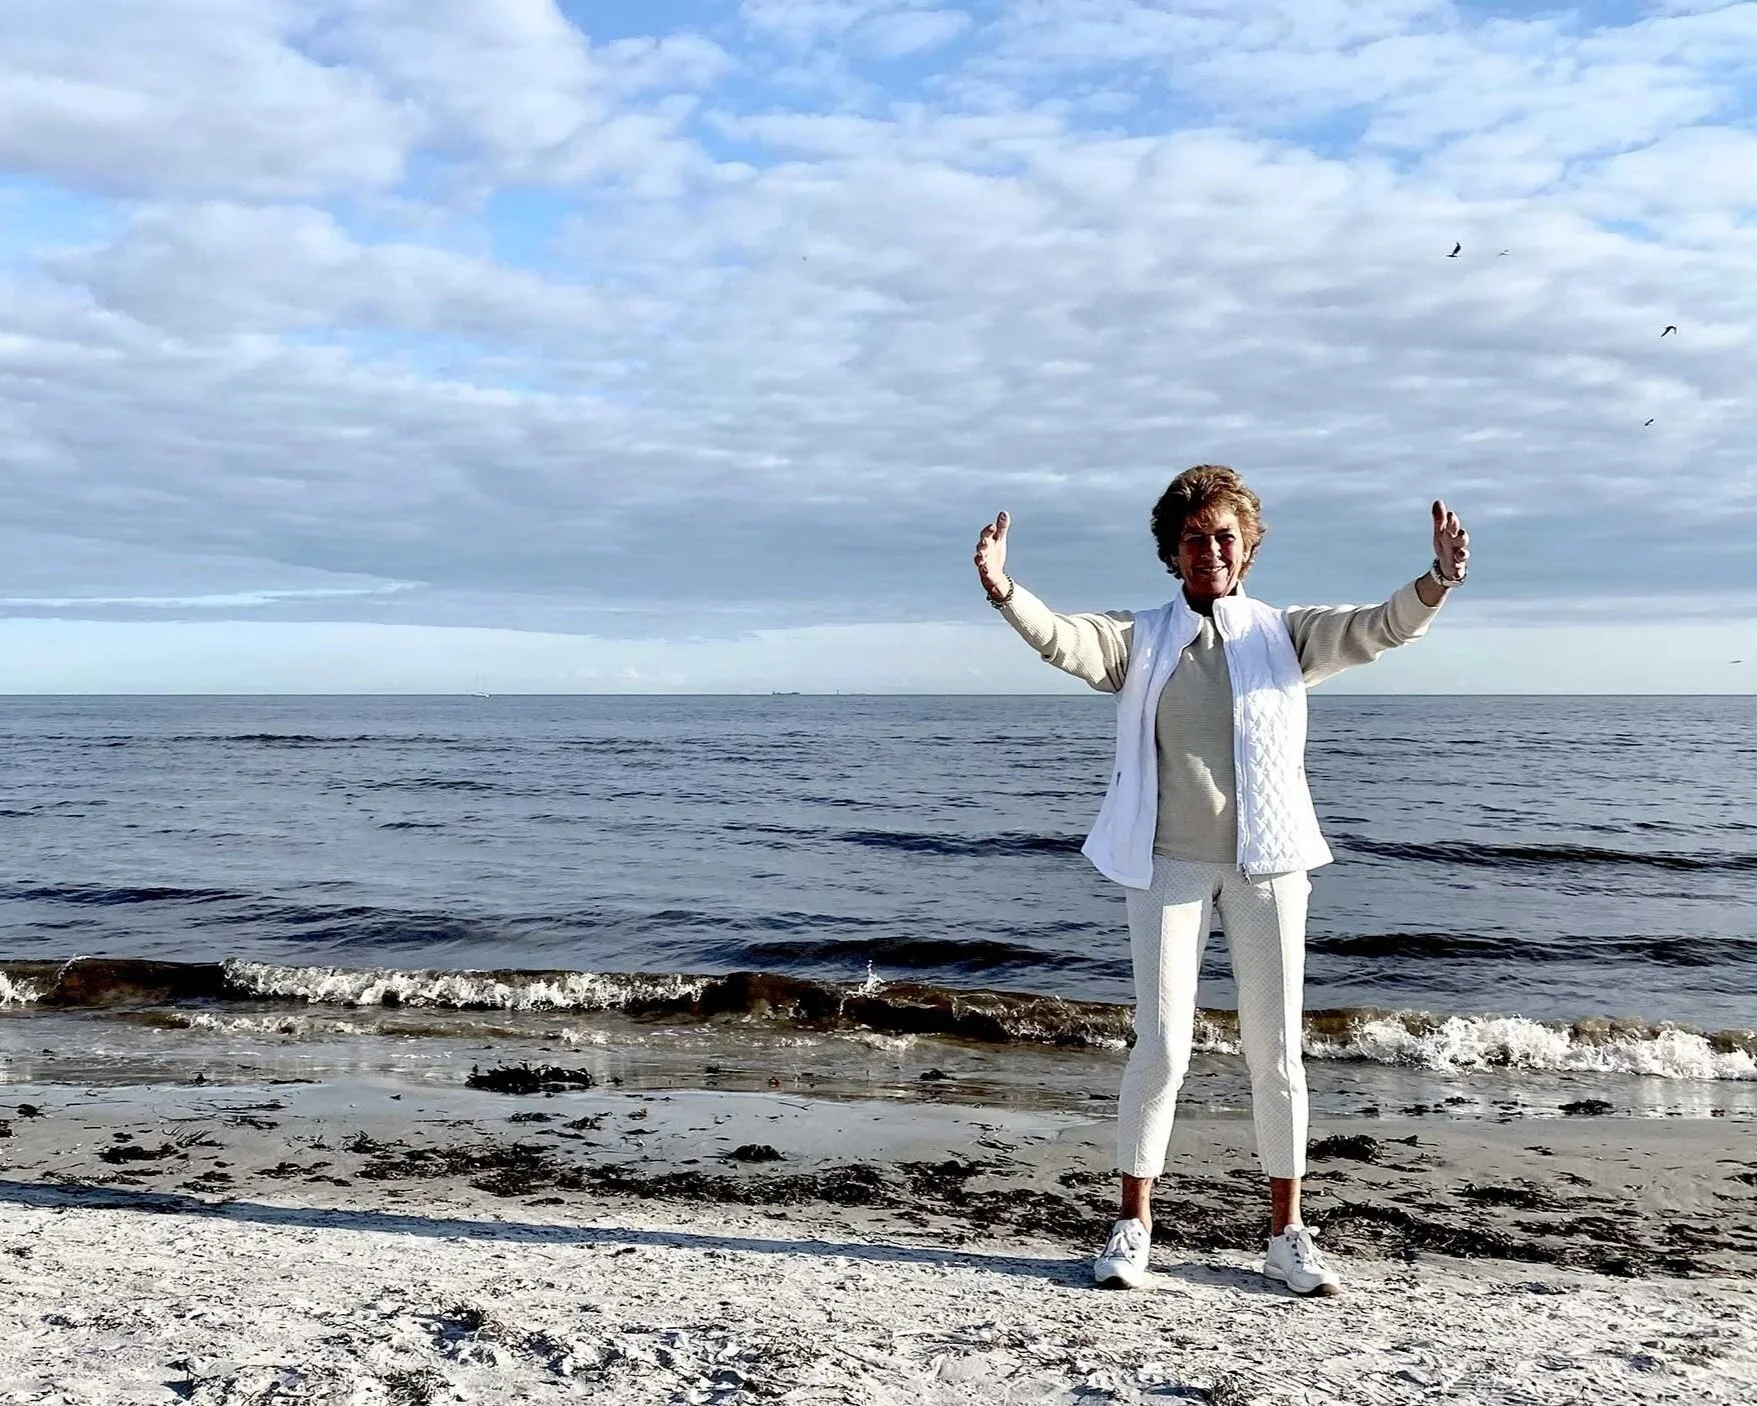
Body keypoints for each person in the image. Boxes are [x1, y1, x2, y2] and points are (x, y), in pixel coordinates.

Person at [972, 465, 1469, 1296]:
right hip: (1165, 863)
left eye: (1224, 536)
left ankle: (1286, 1235)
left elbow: (1379, 626)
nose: (1210, 550)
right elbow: (1064, 639)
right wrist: (1003, 590)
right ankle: (1132, 1226)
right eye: (1193, 538)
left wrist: (1438, 579)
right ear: (1172, 552)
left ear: (1248, 548)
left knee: (1273, 1052)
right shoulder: (1141, 638)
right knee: (1162, 1047)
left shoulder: (1285, 634)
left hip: (1269, 864)